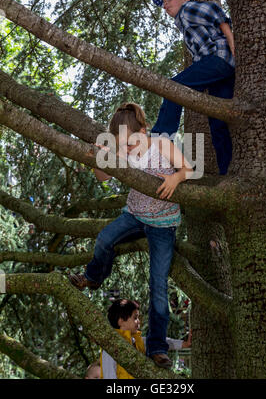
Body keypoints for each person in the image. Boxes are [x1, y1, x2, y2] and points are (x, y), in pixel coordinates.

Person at [69, 103, 193, 369]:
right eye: (121, 145)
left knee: (158, 285)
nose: (128, 149)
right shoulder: (122, 151)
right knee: (104, 239)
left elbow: (189, 170)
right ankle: (93, 277)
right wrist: (103, 155)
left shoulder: (161, 145)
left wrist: (175, 179)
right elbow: (102, 176)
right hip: (135, 215)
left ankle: (158, 348)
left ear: (144, 131)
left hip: (162, 224)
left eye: (131, 142)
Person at [151, 0, 235, 175]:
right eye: (164, 3)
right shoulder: (183, 21)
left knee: (173, 88)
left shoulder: (188, 10)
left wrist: (231, 40)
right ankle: (227, 171)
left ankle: (161, 137)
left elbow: (214, 11)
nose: (166, 4)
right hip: (221, 72)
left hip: (218, 60)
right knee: (218, 121)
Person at [99, 299, 192, 378]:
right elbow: (109, 376)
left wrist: (183, 344)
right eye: (135, 318)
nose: (139, 321)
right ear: (121, 321)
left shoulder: (137, 341)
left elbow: (160, 342)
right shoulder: (110, 348)